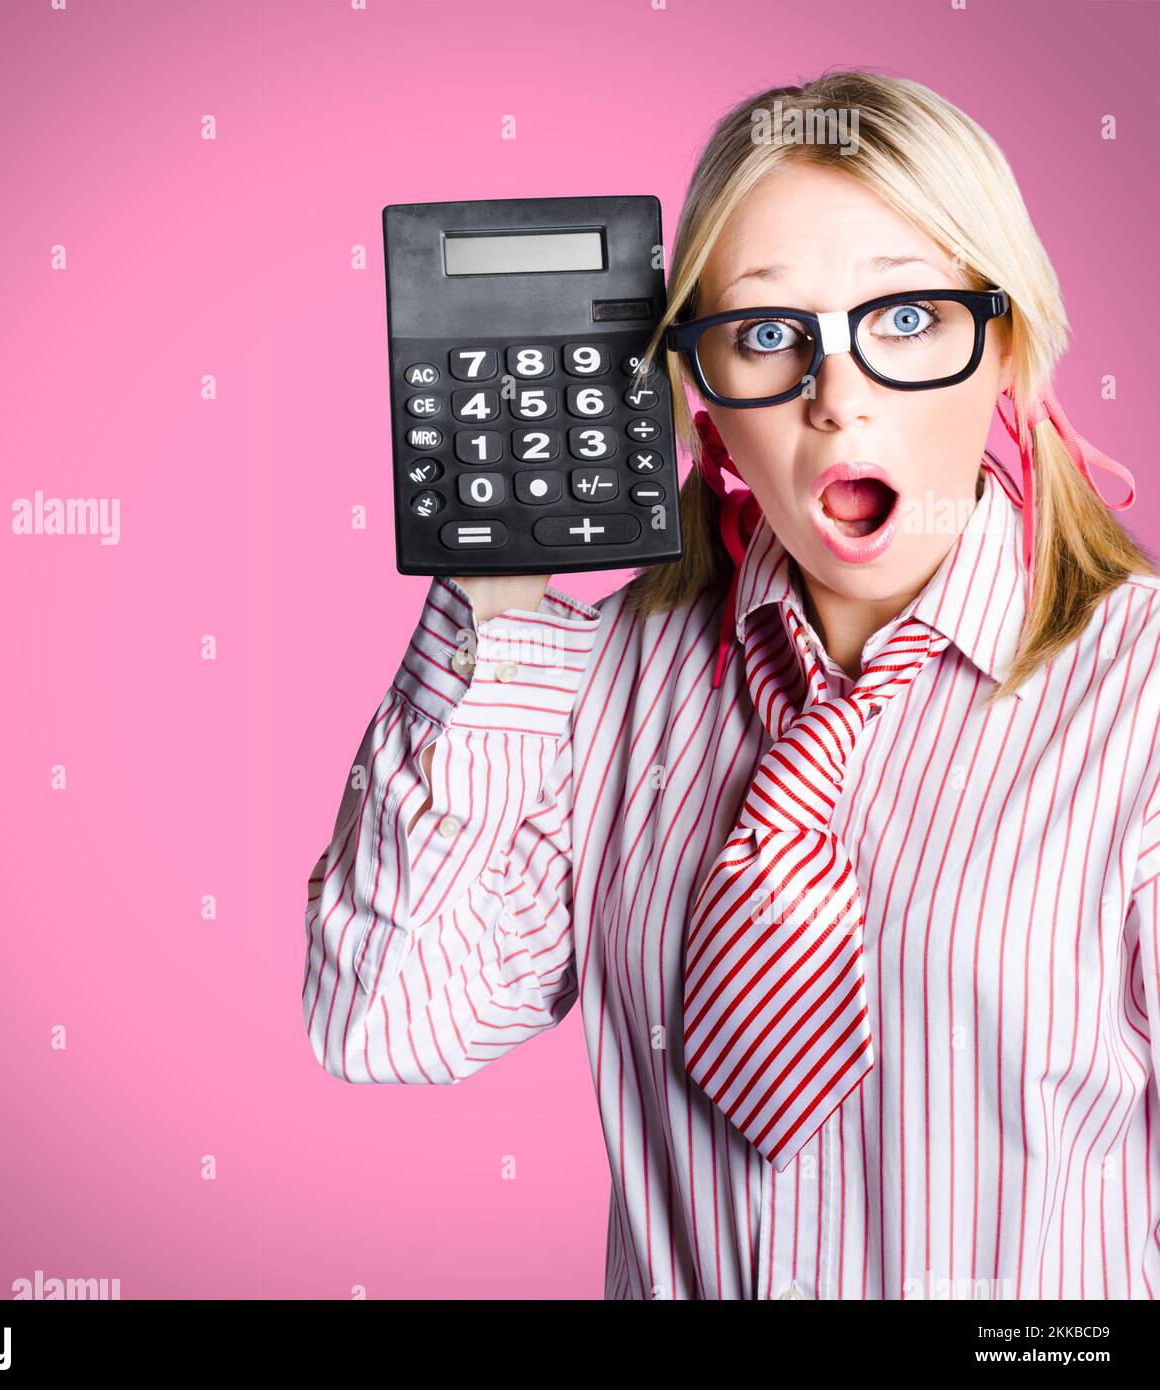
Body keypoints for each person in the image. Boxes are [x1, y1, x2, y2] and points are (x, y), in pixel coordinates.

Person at [302, 69, 1160, 1300]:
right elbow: (384, 1021)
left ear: (1006, 344)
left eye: (907, 318)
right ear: (697, 395)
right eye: (767, 334)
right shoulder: (608, 685)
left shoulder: (1137, 704)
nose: (839, 397)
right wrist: (494, 582)